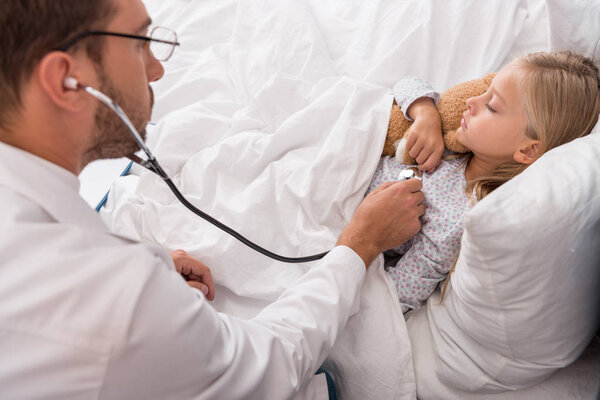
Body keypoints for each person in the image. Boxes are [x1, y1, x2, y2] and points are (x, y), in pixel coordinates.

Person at [0, 1, 426, 399]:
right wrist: (361, 244)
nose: (156, 71)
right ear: (66, 81)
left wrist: (145, 271)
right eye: (139, 45)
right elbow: (268, 366)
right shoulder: (112, 293)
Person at [369, 51, 600, 313]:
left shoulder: (455, 220)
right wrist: (426, 114)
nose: (471, 100)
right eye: (486, 90)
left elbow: (397, 295)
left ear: (527, 151)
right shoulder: (458, 138)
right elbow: (407, 82)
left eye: (492, 106)